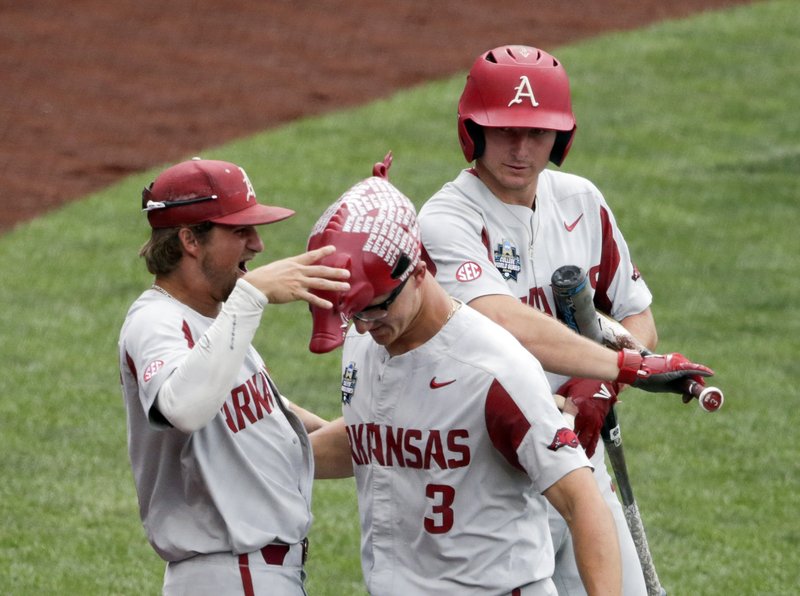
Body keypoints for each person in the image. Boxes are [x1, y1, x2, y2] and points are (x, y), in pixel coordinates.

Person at [416, 45, 697, 594]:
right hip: (496, 479)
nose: (521, 149)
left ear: (561, 137)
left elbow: (637, 316)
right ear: (472, 129)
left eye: (538, 133)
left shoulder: (580, 200)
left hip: (580, 464)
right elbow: (502, 323)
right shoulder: (446, 220)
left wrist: (599, 388)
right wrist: (619, 368)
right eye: (505, 131)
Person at [306, 157, 623, 595]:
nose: (361, 326)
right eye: (351, 313)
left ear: (418, 271)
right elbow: (374, 437)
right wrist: (264, 446)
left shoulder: (493, 368)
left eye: (374, 307)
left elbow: (580, 499)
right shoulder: (367, 339)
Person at [118, 157, 350, 595]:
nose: (258, 245)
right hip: (230, 574)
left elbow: (290, 440)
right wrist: (252, 295)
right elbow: (182, 409)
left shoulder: (217, 325)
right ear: (189, 239)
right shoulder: (157, 322)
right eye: (240, 231)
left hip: (253, 576)